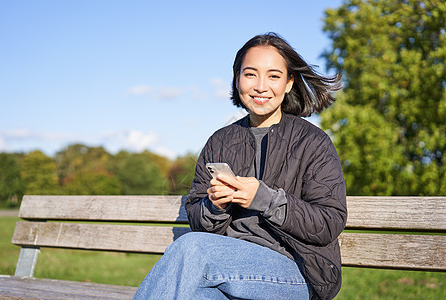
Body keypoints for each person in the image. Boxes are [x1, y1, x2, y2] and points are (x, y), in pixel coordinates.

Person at [133, 32, 347, 300]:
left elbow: (329, 221)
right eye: (250, 74)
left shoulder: (313, 142)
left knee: (191, 249)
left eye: (273, 76)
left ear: (289, 83)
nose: (260, 86)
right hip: (227, 269)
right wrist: (216, 206)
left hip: (295, 271)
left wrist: (265, 199)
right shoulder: (219, 141)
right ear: (237, 80)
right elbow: (200, 222)